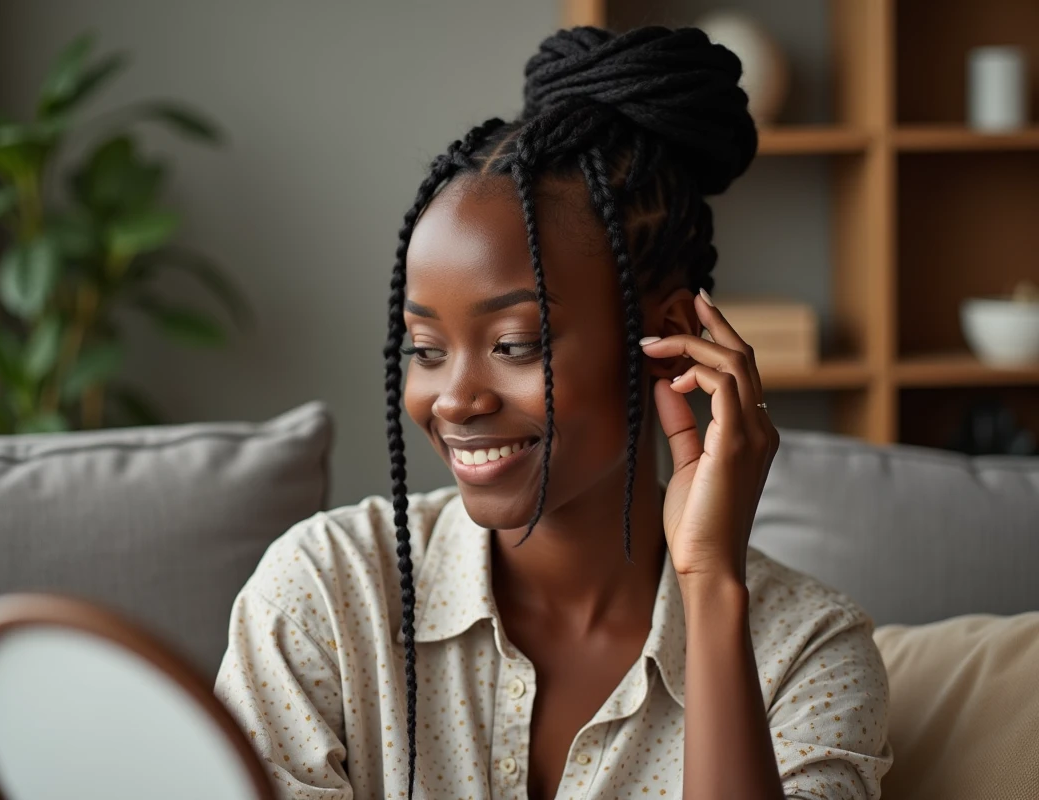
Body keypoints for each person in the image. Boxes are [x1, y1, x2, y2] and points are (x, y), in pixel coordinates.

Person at [216, 25, 892, 800]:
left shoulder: (810, 653)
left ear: (670, 337)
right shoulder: (323, 597)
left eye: (514, 343)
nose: (456, 400)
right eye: (427, 350)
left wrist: (709, 590)